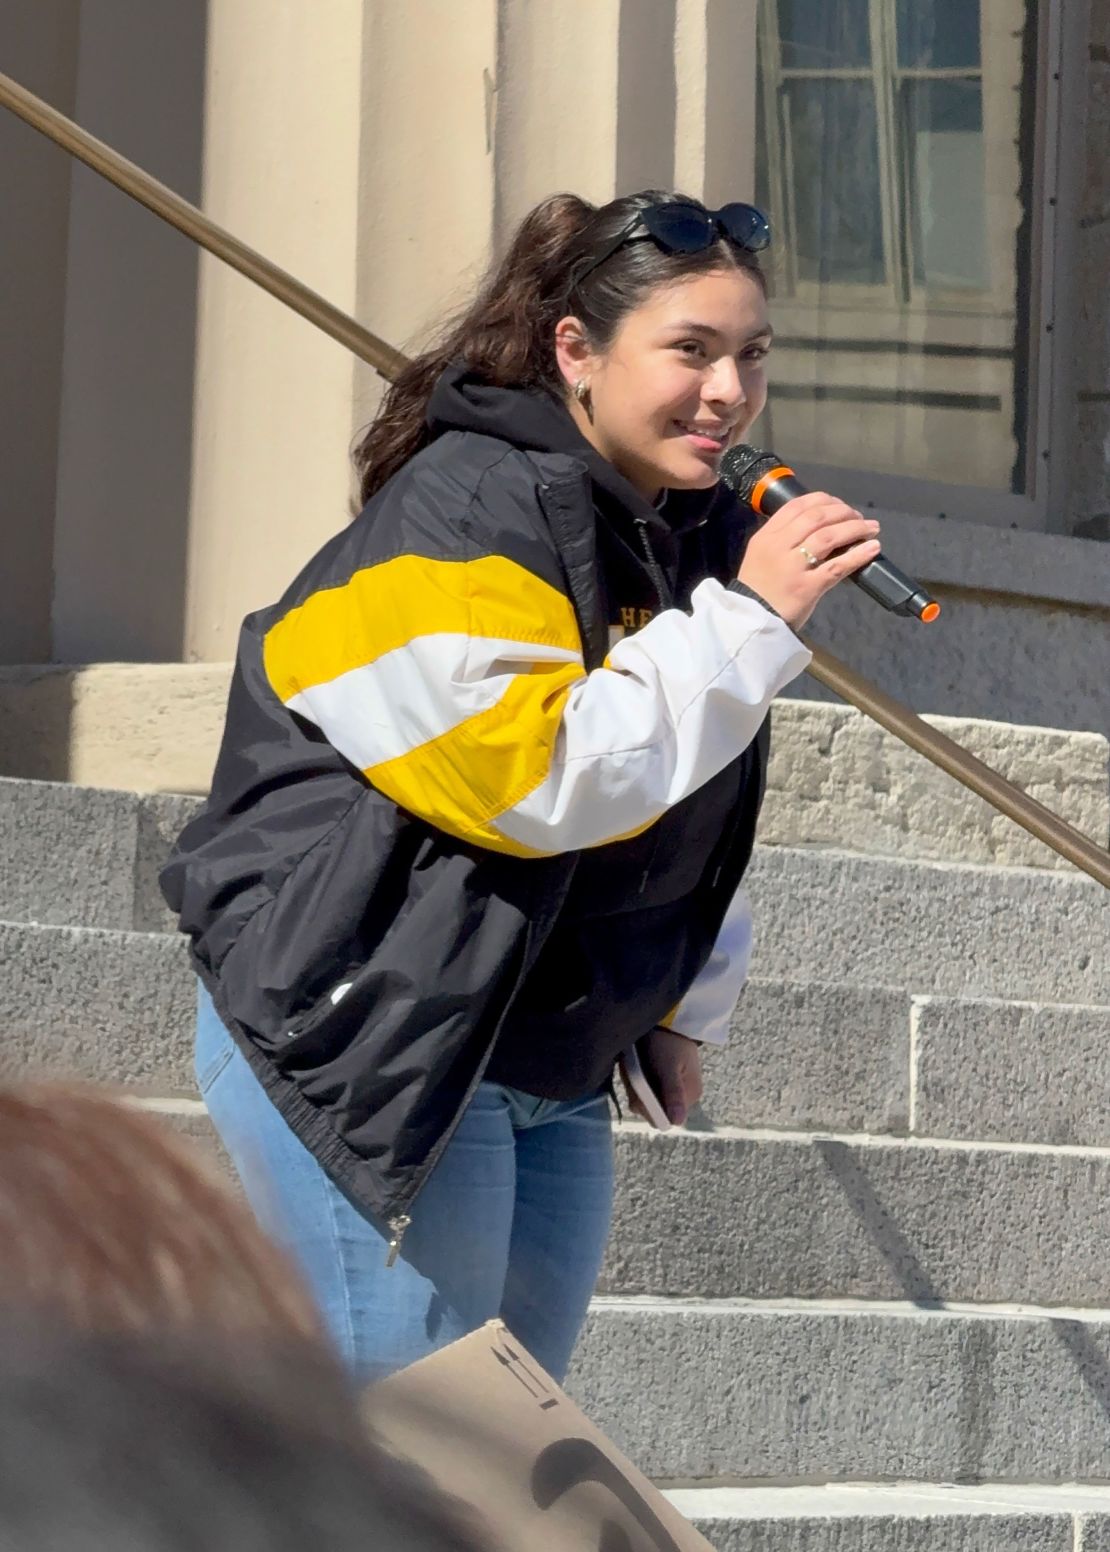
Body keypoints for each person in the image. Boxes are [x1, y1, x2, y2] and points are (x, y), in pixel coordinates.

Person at [161, 189, 882, 1383]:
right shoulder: (465, 505)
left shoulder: (676, 523)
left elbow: (697, 798)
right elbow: (535, 776)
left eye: (752, 355)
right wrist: (751, 617)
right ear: (576, 351)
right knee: (418, 1442)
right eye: (691, 351)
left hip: (541, 1046)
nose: (728, 392)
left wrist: (677, 1002)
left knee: (508, 1446)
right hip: (372, 1017)